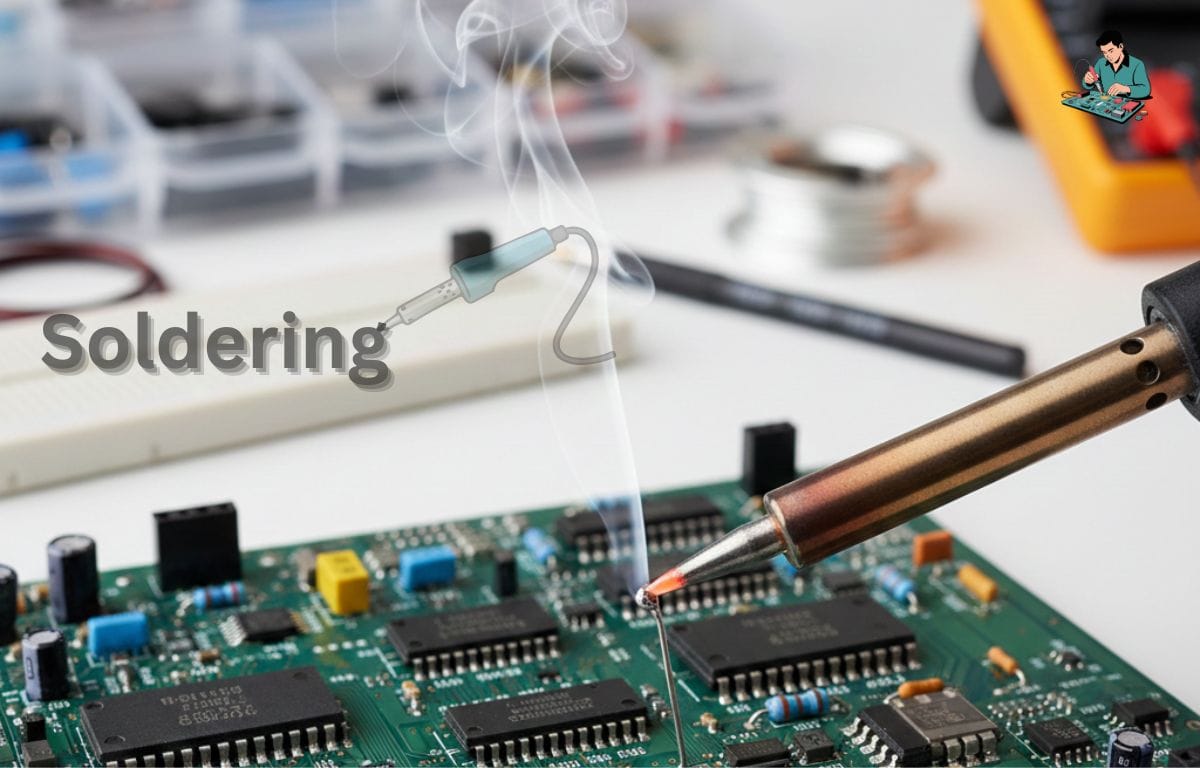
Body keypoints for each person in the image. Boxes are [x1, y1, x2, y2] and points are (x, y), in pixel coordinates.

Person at [1083, 30, 1150, 98]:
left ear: (1120, 46)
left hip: (1128, 104)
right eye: (1104, 52)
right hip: (1108, 103)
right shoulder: (1101, 63)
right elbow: (1088, 84)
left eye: (1111, 51)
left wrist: (1126, 89)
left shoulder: (1137, 65)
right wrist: (1088, 81)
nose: (1108, 56)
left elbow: (1145, 90)